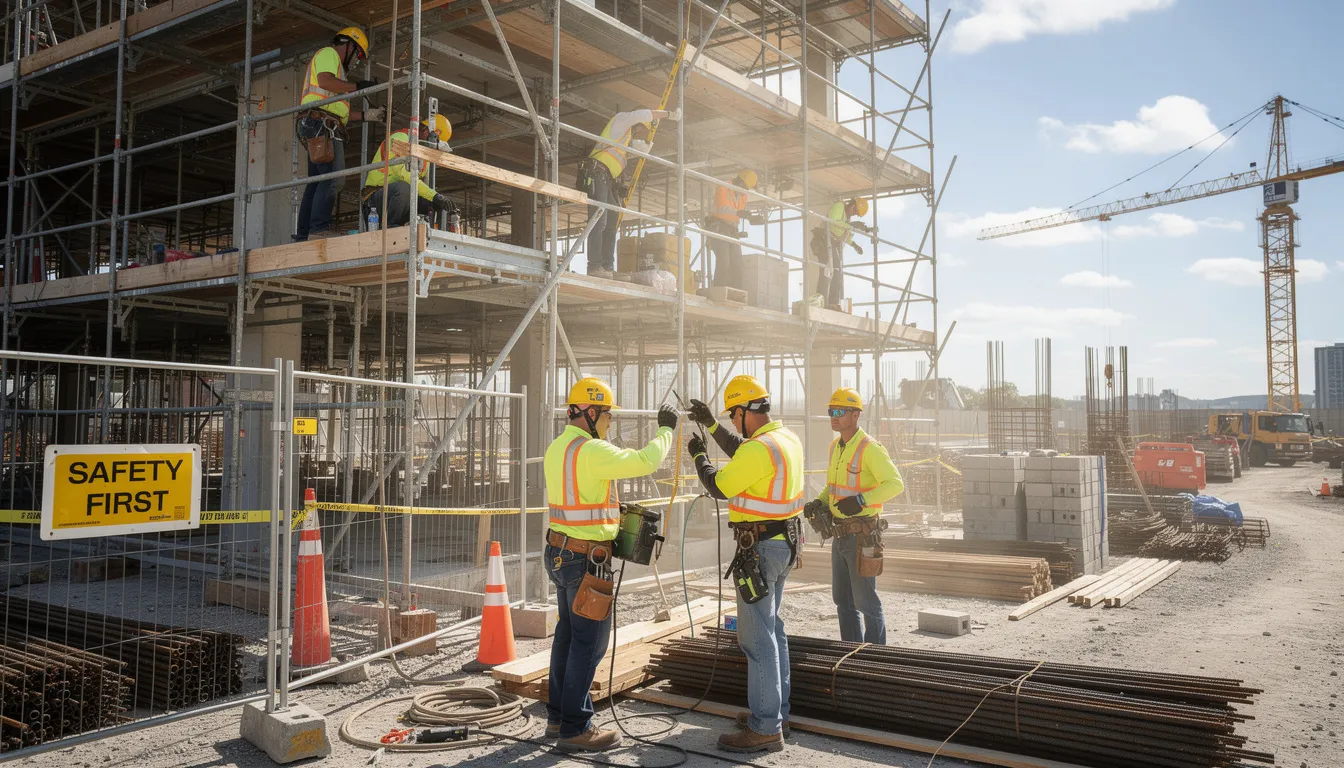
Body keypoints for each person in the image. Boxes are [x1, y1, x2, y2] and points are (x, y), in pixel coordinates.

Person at [544, 377, 679, 751]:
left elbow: (580, 497)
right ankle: (575, 729)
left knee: (568, 637)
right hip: (586, 559)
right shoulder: (591, 450)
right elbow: (646, 460)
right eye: (607, 416)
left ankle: (557, 719)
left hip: (559, 552)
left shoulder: (558, 448)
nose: (609, 423)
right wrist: (666, 429)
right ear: (589, 412)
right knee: (589, 643)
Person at [686, 375, 802, 754]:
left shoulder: (759, 449)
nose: (733, 424)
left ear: (744, 411)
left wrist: (698, 454)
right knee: (773, 628)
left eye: (733, 417)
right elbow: (744, 450)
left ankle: (766, 726)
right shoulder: (784, 439)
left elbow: (720, 485)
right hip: (784, 543)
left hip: (761, 549)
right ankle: (776, 712)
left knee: (755, 638)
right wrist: (712, 424)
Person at [802, 387, 903, 644]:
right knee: (843, 602)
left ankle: (875, 657)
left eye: (839, 411)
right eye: (830, 411)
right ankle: (851, 654)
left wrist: (860, 501)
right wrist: (819, 501)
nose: (834, 417)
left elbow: (895, 484)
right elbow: (833, 486)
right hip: (840, 536)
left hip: (862, 537)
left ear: (856, 415)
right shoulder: (836, 446)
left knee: (866, 602)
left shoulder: (870, 448)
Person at [295, 27, 385, 241]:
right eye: (359, 54)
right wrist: (357, 86)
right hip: (321, 124)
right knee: (334, 179)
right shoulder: (329, 54)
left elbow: (341, 112)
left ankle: (304, 234)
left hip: (318, 122)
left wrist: (366, 115)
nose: (357, 61)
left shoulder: (338, 73)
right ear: (348, 45)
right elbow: (325, 81)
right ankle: (317, 230)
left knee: (317, 180)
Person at [579, 107, 680, 277]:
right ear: (637, 124)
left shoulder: (623, 139)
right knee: (599, 221)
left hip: (606, 179)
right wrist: (669, 115)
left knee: (611, 222)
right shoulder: (621, 119)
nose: (641, 133)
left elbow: (635, 149)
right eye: (642, 129)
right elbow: (643, 114)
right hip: (597, 173)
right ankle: (594, 266)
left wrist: (646, 145)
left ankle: (607, 267)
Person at [362, 113, 459, 229]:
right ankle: (391, 227)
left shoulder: (423, 154)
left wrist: (436, 200)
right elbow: (408, 177)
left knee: (433, 202)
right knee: (406, 187)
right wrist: (435, 196)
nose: (431, 148)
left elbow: (421, 187)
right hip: (376, 201)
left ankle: (427, 229)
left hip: (400, 201)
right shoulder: (400, 139)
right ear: (427, 132)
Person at [808, 197, 873, 310]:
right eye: (855, 211)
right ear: (852, 206)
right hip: (823, 240)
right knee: (827, 271)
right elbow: (833, 223)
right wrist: (852, 225)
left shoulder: (846, 219)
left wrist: (854, 245)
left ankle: (832, 302)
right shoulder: (839, 207)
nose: (854, 214)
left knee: (836, 270)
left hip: (830, 242)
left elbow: (843, 234)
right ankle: (822, 301)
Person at [705, 170, 764, 290]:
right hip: (719, 227)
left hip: (732, 230)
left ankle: (736, 293)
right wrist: (740, 213)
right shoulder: (723, 187)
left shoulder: (742, 195)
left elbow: (739, 214)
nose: (746, 191)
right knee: (724, 262)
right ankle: (719, 291)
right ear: (741, 183)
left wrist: (751, 218)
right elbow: (722, 210)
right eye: (746, 187)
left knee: (738, 265)